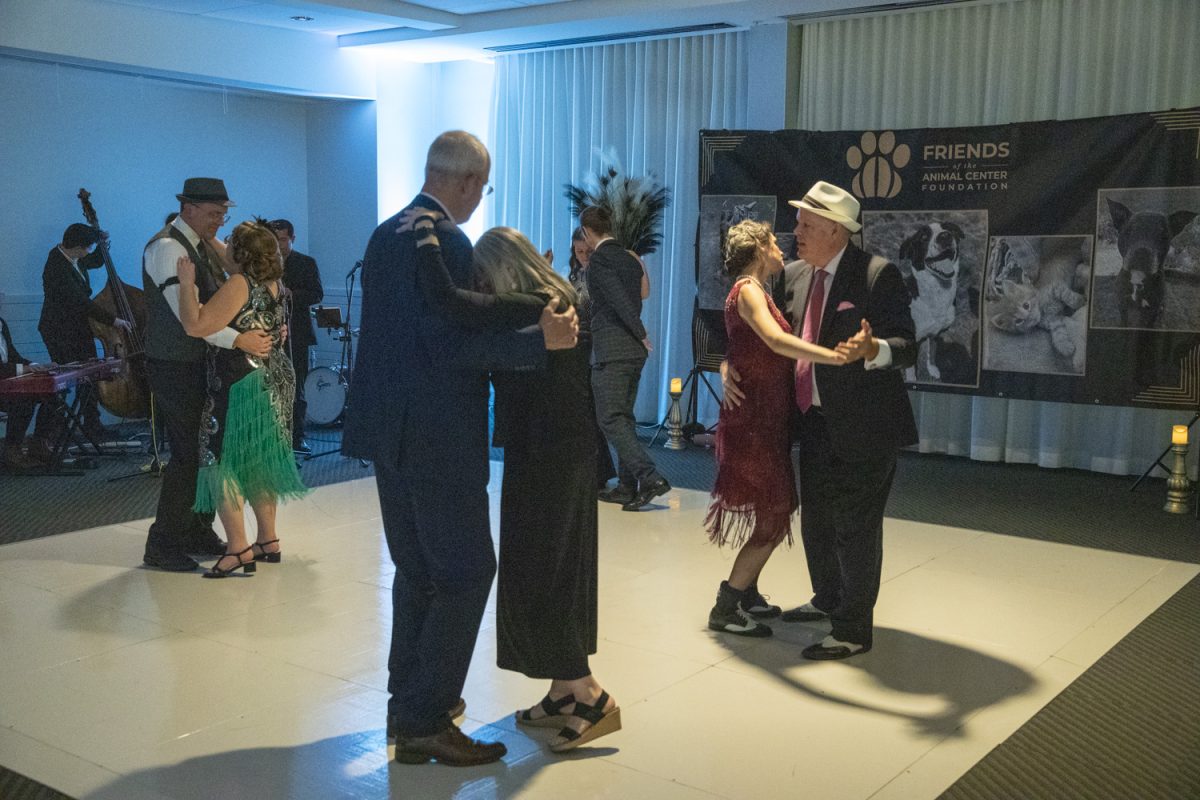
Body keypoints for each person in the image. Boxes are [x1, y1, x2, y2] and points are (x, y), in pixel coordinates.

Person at [342, 131, 578, 767]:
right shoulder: (446, 239)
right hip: (437, 436)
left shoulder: (386, 232)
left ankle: (408, 705)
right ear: (469, 182)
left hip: (388, 433)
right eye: (483, 187)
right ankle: (425, 717)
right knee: (468, 571)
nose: (479, 201)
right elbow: (447, 346)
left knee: (418, 571)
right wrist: (539, 344)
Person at [397, 215, 620, 753]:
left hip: (554, 457)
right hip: (547, 453)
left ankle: (588, 693)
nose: (478, 290)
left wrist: (426, 243)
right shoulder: (552, 304)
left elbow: (461, 312)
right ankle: (564, 689)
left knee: (548, 569)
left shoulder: (549, 313)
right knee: (539, 567)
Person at [723, 181, 917, 660]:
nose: (796, 232)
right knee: (817, 522)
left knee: (856, 525)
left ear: (836, 231)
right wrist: (727, 368)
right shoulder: (790, 276)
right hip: (812, 423)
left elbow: (908, 346)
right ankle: (830, 598)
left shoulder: (876, 275)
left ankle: (853, 629)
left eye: (807, 225)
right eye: (798, 223)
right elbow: (756, 338)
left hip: (866, 425)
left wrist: (875, 350)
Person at [705, 220, 845, 638]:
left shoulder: (756, 291)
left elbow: (738, 348)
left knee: (774, 505)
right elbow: (774, 341)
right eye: (775, 241)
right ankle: (727, 605)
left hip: (765, 418)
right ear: (759, 248)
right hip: (755, 422)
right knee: (774, 512)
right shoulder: (748, 290)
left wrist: (725, 367)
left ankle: (746, 594)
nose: (784, 245)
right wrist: (831, 356)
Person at [140, 178, 273, 572]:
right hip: (175, 365)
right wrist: (240, 340)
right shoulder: (167, 248)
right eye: (214, 213)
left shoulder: (199, 245)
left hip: (199, 365)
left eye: (223, 214)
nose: (220, 221)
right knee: (187, 455)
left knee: (206, 453)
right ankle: (162, 543)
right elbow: (189, 321)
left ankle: (197, 530)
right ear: (188, 208)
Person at [175, 219, 310, 577]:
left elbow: (195, 325)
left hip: (240, 383)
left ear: (242, 253)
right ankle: (268, 540)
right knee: (259, 460)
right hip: (273, 379)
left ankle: (237, 548)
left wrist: (186, 287)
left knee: (221, 460)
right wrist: (212, 238)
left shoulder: (239, 284)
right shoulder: (275, 284)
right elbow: (230, 254)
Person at [580, 205, 670, 511]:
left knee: (610, 418)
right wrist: (639, 335)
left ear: (586, 232)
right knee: (624, 418)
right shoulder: (630, 259)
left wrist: (640, 330)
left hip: (612, 350)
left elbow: (618, 301)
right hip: (632, 352)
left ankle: (650, 477)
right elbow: (637, 296)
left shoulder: (600, 260)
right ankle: (626, 486)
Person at [37, 222, 132, 442]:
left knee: (89, 377)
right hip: (58, 331)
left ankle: (93, 425)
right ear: (76, 246)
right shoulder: (56, 267)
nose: (88, 252)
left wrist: (101, 245)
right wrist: (113, 320)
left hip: (78, 328)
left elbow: (96, 261)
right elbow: (81, 302)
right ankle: (52, 431)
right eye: (87, 247)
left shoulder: (74, 258)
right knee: (67, 378)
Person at [568, 227, 617, 489]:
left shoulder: (599, 275)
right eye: (579, 252)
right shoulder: (573, 275)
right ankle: (594, 471)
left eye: (587, 251)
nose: (584, 255)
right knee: (584, 411)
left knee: (595, 413)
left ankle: (599, 471)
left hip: (595, 345)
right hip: (576, 346)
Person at [269, 218, 324, 453]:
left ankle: (297, 436)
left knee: (296, 385)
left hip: (297, 332)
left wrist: (291, 294)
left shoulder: (305, 263)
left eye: (282, 239)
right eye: (274, 240)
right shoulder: (265, 264)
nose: (278, 245)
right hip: (269, 332)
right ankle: (273, 435)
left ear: (292, 238)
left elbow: (317, 294)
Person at [0, 311, 49, 470]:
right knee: (22, 400)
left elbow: (13, 356)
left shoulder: (2, 324)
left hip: (5, 385)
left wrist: (36, 365)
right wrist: (26, 369)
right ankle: (11, 450)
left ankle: (39, 442)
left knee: (51, 394)